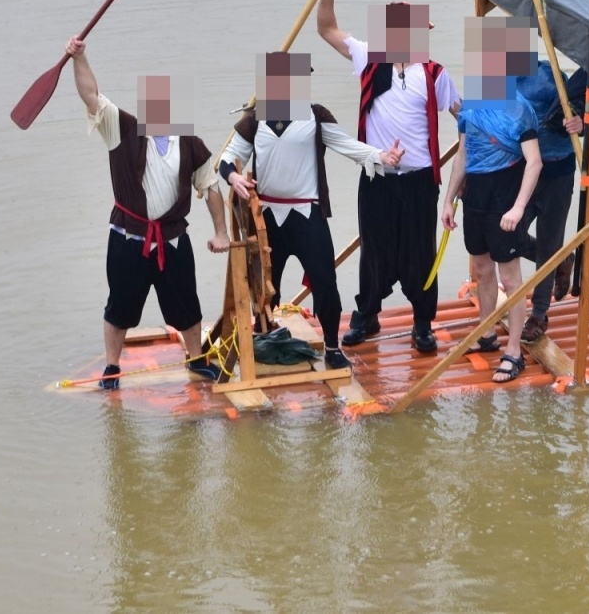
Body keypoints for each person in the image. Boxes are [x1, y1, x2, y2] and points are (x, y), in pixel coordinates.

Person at [216, 51, 404, 371]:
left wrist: (380, 156)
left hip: (307, 215)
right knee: (263, 287)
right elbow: (227, 159)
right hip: (267, 221)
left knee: (325, 283)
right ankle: (262, 336)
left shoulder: (315, 116)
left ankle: (332, 346)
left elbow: (348, 145)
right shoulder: (255, 121)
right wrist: (233, 177)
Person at [67, 37, 229, 390]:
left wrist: (221, 232)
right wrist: (80, 57)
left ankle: (196, 359)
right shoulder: (120, 129)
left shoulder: (188, 142)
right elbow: (91, 94)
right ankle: (112, 367)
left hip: (172, 240)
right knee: (120, 307)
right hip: (129, 240)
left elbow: (211, 187)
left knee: (187, 305)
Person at [315, 0, 461, 354]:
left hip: (419, 181)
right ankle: (367, 315)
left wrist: (491, 141)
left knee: (420, 253)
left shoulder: (434, 74)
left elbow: (465, 118)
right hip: (377, 177)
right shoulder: (369, 59)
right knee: (374, 250)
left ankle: (422, 323)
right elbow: (326, 29)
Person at [441, 15, 542, 383]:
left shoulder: (520, 108)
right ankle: (486, 333)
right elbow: (463, 156)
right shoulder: (472, 106)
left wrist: (518, 207)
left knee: (510, 277)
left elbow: (534, 161)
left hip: (505, 195)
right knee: (481, 269)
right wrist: (449, 199)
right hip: (477, 197)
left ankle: (514, 351)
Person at [512, 57, 585, 342]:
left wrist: (579, 122)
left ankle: (539, 314)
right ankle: (562, 260)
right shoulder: (493, 77)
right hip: (522, 171)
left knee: (547, 244)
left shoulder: (550, 73)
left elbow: (579, 107)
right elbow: (483, 123)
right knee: (508, 236)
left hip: (557, 171)